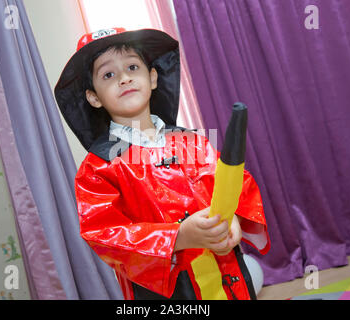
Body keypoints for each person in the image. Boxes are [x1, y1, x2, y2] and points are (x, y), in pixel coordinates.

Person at [54, 27, 270, 300]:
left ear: (152, 77)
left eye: (133, 67)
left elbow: (231, 186)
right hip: (166, 289)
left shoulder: (192, 141)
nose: (124, 78)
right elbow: (104, 232)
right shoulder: (98, 168)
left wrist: (234, 221)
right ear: (94, 97)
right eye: (108, 75)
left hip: (224, 268)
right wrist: (178, 237)